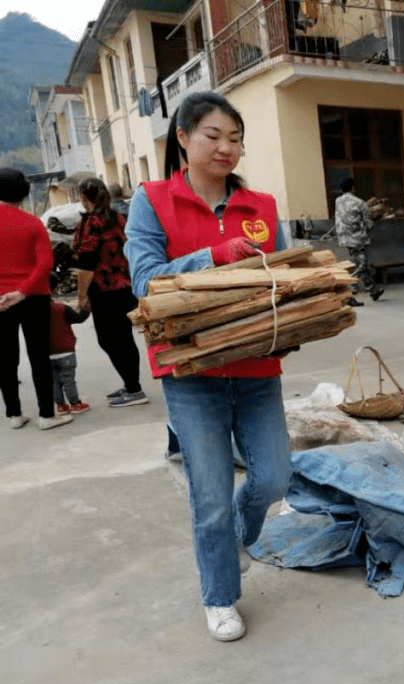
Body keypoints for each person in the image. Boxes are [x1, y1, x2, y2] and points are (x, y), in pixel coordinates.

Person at [124, 91, 292, 642]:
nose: (227, 148)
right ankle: (219, 596)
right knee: (212, 495)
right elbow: (145, 279)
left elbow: (283, 278)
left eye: (236, 138)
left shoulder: (262, 207)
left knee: (273, 478)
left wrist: (293, 321)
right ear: (182, 137)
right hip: (191, 374)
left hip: (257, 368)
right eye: (213, 136)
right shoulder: (152, 200)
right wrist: (212, 258)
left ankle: (240, 540)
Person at [0, 168, 73, 431]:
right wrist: (22, 291)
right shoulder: (32, 223)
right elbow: (45, 263)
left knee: (5, 358)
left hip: (0, 301)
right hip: (33, 297)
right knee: (39, 354)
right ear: (23, 193)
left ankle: (14, 415)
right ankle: (46, 415)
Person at [72, 177, 147, 407]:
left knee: (109, 340)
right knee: (123, 338)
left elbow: (86, 264)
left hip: (104, 291)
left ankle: (134, 389)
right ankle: (132, 385)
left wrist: (81, 296)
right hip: (125, 287)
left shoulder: (90, 223)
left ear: (83, 198)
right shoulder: (118, 217)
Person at [48, 273, 91, 415]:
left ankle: (60, 406)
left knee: (54, 381)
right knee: (68, 379)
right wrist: (86, 308)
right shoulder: (61, 308)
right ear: (55, 288)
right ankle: (75, 403)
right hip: (66, 350)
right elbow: (79, 317)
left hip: (48, 353)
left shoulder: (35, 313)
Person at [333, 177, 380, 303]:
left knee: (361, 264)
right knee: (361, 265)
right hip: (357, 238)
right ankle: (349, 291)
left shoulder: (338, 201)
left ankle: (373, 291)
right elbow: (369, 223)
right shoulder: (360, 203)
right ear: (353, 187)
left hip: (344, 237)